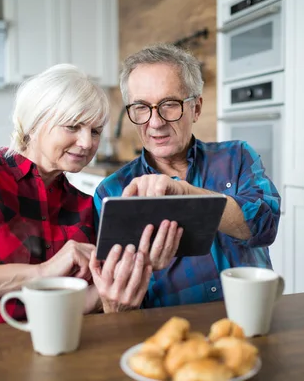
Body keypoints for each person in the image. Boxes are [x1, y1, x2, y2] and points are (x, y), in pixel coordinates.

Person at [0, 64, 181, 332]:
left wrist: (132, 274)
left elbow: (81, 304)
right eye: (72, 126)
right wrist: (44, 273)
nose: (87, 143)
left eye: (95, 131)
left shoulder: (85, 206)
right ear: (33, 124)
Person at [94, 44, 281, 308]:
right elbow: (117, 295)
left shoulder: (236, 156)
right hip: (168, 334)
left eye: (169, 105)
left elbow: (265, 226)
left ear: (196, 108)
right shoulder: (111, 192)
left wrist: (183, 192)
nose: (156, 122)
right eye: (141, 107)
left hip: (250, 320)